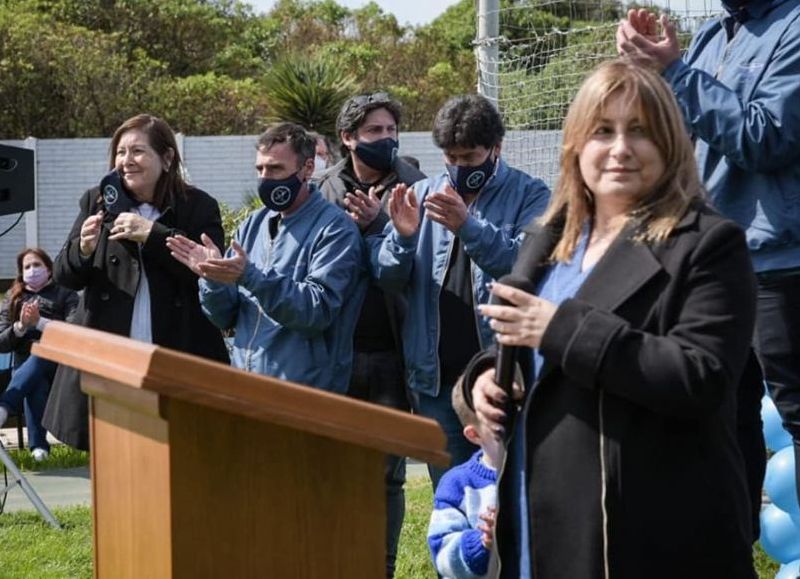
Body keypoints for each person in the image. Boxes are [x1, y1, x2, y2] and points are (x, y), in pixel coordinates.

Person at [461, 60, 758, 577]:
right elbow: (525, 344)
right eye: (603, 131)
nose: (620, 148)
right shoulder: (548, 237)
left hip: (644, 542)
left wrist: (558, 330)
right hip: (536, 530)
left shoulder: (708, 244)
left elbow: (701, 378)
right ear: (576, 144)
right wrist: (484, 380)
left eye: (639, 131)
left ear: (671, 143)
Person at [616, 0, 800, 533]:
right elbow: (677, 141)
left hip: (779, 266)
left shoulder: (792, 26)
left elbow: (766, 137)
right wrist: (645, 75)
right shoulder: (710, 37)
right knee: (720, 425)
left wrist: (675, 70)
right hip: (711, 265)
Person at [369, 93, 550, 488]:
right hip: (436, 380)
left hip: (503, 374)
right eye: (450, 157)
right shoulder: (420, 193)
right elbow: (387, 278)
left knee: (508, 491)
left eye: (469, 158)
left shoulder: (531, 194)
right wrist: (400, 238)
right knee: (452, 494)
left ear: (496, 148)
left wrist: (467, 225)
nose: (458, 167)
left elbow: (525, 264)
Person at [46, 113, 229, 451]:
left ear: (167, 157)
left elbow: (208, 272)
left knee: (178, 451)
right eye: (120, 152)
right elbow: (64, 276)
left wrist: (153, 235)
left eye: (138, 152)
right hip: (111, 353)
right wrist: (83, 249)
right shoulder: (96, 200)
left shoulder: (199, 206)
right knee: (115, 455)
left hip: (178, 350)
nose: (126, 161)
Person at [315, 92, 426, 578]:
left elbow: (426, 261)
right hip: (335, 350)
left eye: (390, 131)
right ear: (348, 138)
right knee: (333, 470)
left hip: (392, 351)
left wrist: (383, 224)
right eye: (374, 132)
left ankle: (381, 566)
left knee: (387, 474)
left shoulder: (417, 184)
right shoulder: (322, 189)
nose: (386, 139)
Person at [167, 122, 366, 393]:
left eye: (275, 169)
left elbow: (315, 312)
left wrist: (249, 276)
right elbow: (225, 317)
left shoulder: (335, 229)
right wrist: (213, 278)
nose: (265, 178)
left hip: (306, 393)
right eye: (260, 169)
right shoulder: (252, 225)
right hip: (247, 384)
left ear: (307, 169)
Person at [0, 248, 78, 461]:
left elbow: (73, 333)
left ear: (49, 269)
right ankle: (39, 451)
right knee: (36, 382)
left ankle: (5, 406)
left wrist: (40, 323)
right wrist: (21, 326)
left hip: (60, 365)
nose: (32, 270)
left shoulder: (65, 294)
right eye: (27, 267)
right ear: (21, 272)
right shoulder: (13, 297)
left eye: (37, 265)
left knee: (42, 351)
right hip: (25, 367)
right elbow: (1, 342)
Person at [427, 376, 499, 579]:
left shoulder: (537, 474)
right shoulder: (457, 484)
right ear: (474, 435)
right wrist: (482, 543)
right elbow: (442, 554)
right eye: (500, 426)